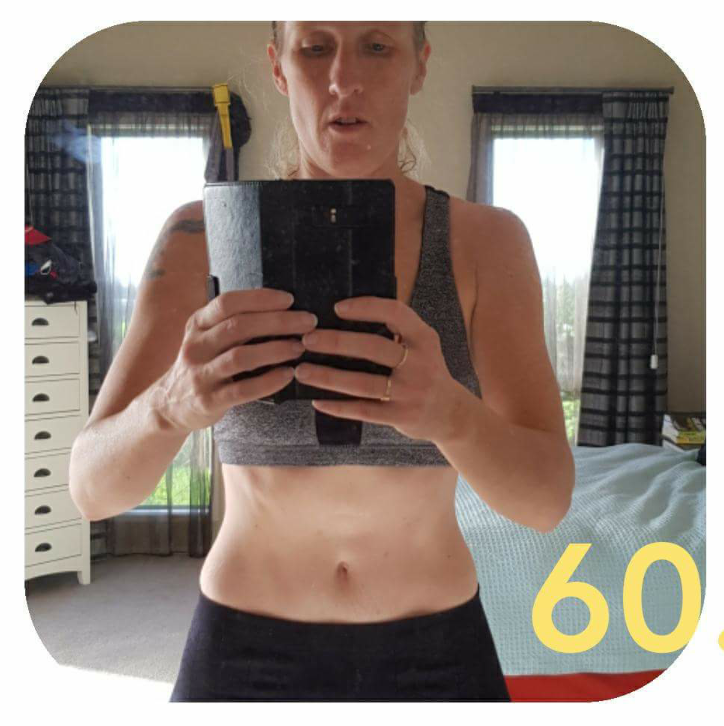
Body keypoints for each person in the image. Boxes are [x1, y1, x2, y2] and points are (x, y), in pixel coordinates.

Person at [70, 21, 574, 702]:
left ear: (419, 64)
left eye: (377, 46)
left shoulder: (488, 242)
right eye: (315, 48)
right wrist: (170, 404)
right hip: (243, 651)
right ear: (279, 67)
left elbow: (545, 501)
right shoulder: (200, 236)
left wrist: (450, 413)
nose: (344, 79)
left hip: (437, 650)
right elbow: (93, 490)